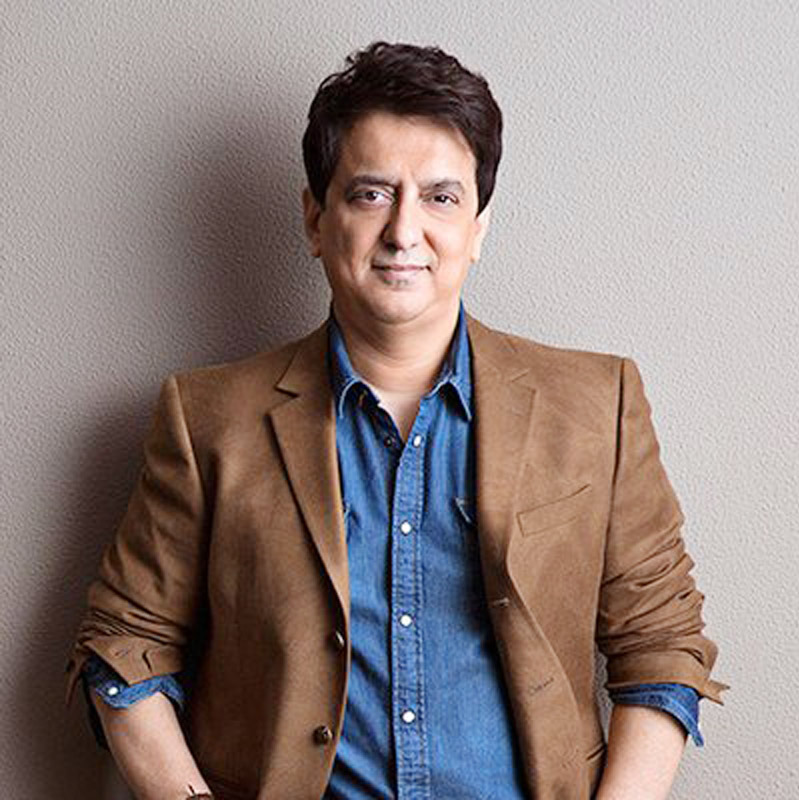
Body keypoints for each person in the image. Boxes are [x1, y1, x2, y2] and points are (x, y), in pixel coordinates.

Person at [66, 41, 726, 800]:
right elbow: (124, 644)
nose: (404, 231)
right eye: (372, 194)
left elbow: (662, 647)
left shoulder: (597, 403)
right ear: (316, 219)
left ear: (478, 226)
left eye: (441, 198)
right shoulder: (207, 418)